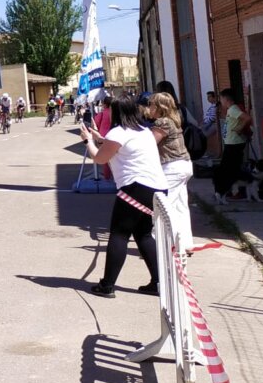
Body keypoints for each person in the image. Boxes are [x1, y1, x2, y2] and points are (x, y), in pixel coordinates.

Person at [81, 94, 168, 297]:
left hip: (135, 188)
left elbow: (100, 158)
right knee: (143, 234)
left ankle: (107, 285)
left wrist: (87, 141)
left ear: (116, 113)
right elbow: (119, 147)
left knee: (119, 234)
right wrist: (99, 138)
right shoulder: (144, 131)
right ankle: (159, 282)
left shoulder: (118, 132)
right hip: (157, 188)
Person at [146, 93, 195, 253]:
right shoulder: (174, 119)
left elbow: (149, 144)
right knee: (180, 206)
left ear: (159, 107)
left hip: (172, 167)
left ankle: (157, 245)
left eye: (151, 105)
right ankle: (185, 244)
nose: (149, 108)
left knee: (163, 207)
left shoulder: (162, 122)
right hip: (183, 164)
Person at [213, 88, 251, 203]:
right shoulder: (230, 110)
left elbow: (247, 118)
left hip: (234, 144)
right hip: (230, 143)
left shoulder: (234, 109)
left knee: (229, 170)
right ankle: (224, 191)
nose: (221, 102)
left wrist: (239, 128)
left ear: (226, 99)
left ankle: (224, 191)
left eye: (221, 99)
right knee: (228, 169)